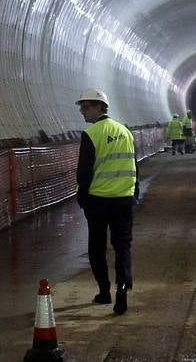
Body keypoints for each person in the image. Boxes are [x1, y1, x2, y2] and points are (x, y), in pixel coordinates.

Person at [75, 87, 137, 314]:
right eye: (82, 107)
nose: (83, 111)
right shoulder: (125, 132)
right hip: (124, 200)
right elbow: (134, 165)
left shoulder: (91, 134)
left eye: (87, 106)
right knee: (123, 246)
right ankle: (123, 286)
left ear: (101, 107)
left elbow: (84, 172)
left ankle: (105, 291)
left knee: (97, 248)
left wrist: (82, 198)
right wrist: (134, 193)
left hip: (99, 202)